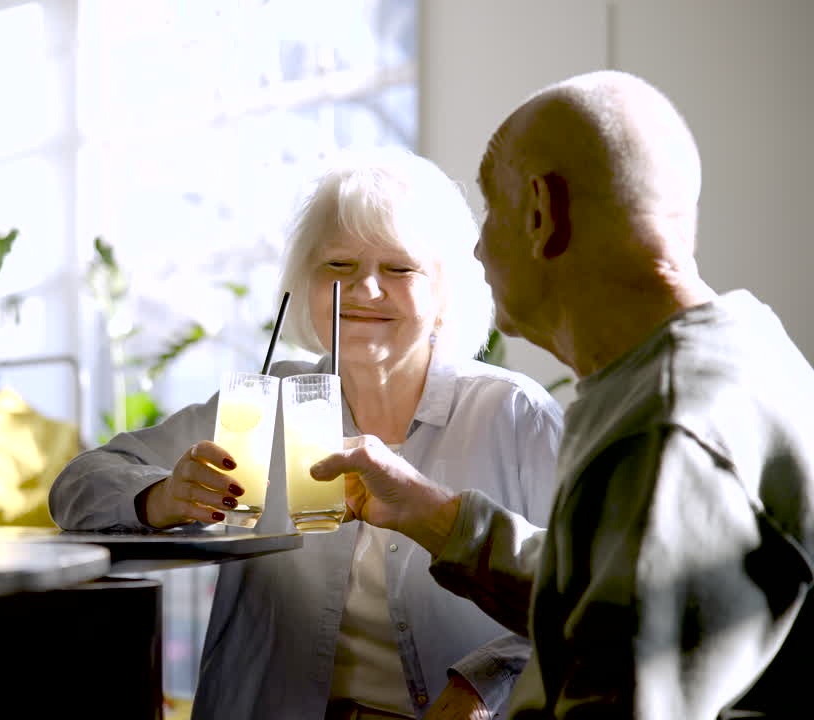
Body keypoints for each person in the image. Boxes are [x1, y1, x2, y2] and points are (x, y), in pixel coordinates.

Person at [311, 70, 814, 719]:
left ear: (542, 215)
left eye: (491, 210)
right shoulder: (743, 345)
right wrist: (433, 517)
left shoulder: (663, 430)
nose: (477, 246)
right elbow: (616, 592)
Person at [49, 146, 564, 719]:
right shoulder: (261, 404)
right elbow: (78, 484)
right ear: (306, 286)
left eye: (399, 269)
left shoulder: (514, 415)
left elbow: (584, 598)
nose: (365, 290)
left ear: (445, 294)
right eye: (339, 266)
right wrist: (160, 495)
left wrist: (484, 682)